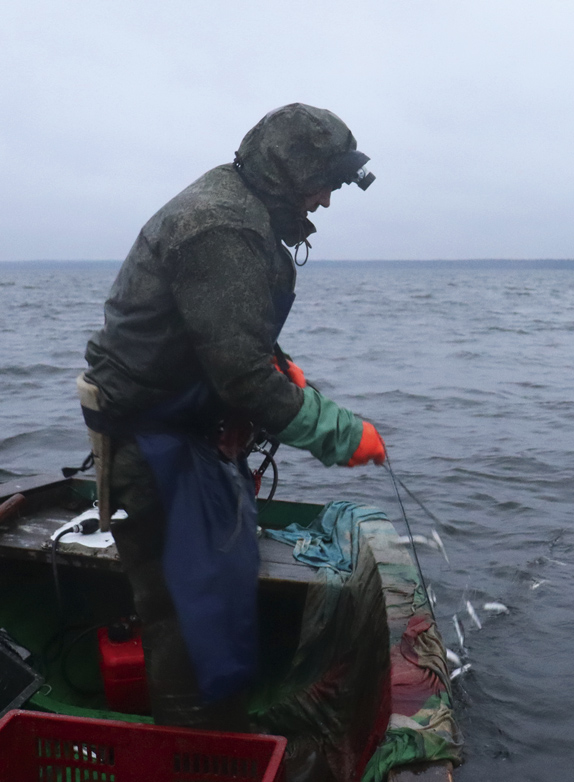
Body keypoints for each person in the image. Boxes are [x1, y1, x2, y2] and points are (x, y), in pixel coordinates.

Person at [79, 103, 385, 730]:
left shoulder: (241, 210)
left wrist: (284, 370)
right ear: (287, 172)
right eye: (322, 183)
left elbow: (231, 336)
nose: (325, 202)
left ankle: (217, 727)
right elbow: (240, 375)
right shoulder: (222, 225)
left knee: (214, 594)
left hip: (186, 433)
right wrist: (340, 434)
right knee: (187, 619)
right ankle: (199, 749)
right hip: (154, 445)